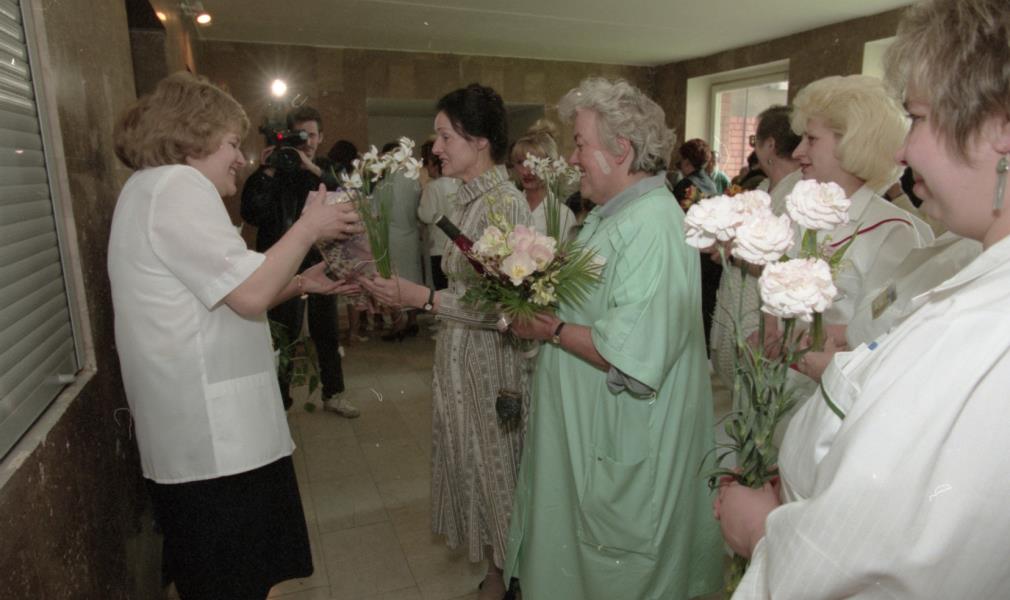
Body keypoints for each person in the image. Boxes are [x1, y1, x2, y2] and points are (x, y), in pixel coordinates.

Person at [716, 0, 1010, 596]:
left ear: (999, 129)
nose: (903, 152)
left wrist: (763, 534)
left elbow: (870, 550)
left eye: (918, 118)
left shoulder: (977, 329)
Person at [107, 72, 362, 600]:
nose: (240, 159)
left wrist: (301, 283)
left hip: (213, 438)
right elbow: (247, 294)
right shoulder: (175, 188)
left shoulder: (153, 189)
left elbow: (225, 289)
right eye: (230, 144)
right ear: (192, 137)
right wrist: (309, 228)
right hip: (213, 445)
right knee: (232, 583)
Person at [504, 77, 723, 600]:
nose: (572, 158)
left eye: (580, 144)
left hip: (622, 444)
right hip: (590, 435)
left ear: (620, 150)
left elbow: (630, 352)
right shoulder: (612, 215)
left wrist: (551, 328)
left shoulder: (652, 225)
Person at [361, 83, 532, 600]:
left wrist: (423, 298)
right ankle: (498, 574)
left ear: (479, 140)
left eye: (444, 136)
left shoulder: (504, 206)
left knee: (497, 476)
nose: (435, 149)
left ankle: (512, 580)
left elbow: (509, 308)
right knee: (475, 472)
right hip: (462, 363)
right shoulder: (469, 198)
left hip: (491, 368)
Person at [240, 106, 358, 417]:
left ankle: (334, 394)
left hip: (321, 262)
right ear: (288, 136)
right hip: (282, 264)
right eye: (300, 135)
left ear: (321, 137)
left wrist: (311, 167)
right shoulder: (275, 170)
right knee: (283, 334)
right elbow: (251, 213)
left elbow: (352, 192)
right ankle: (279, 402)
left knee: (327, 332)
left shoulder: (325, 168)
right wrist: (268, 171)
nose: (307, 142)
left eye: (312, 135)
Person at [709, 105, 802, 387]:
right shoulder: (762, 189)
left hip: (765, 317)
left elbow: (789, 267)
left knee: (757, 391)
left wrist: (733, 253)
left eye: (755, 141)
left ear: (770, 145)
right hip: (738, 302)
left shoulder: (798, 195)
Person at [674, 138, 722, 352]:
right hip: (711, 254)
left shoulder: (686, 186)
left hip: (694, 253)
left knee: (694, 305)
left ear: (686, 162)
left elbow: (676, 221)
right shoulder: (711, 183)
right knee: (707, 305)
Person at [374, 140, 424, 341]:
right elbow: (420, 207)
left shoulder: (384, 181)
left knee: (394, 279)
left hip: (392, 236)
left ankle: (397, 325)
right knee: (413, 277)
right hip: (411, 234)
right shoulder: (414, 178)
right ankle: (412, 320)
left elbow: (376, 212)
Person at [509, 120, 579, 241]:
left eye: (535, 163)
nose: (526, 171)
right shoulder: (509, 207)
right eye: (520, 162)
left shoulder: (562, 215)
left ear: (550, 166)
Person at [417, 139, 461, 293]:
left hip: (439, 248)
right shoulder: (458, 183)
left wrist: (419, 206)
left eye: (426, 163)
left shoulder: (432, 187)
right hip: (458, 246)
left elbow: (426, 215)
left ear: (433, 163)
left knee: (442, 289)